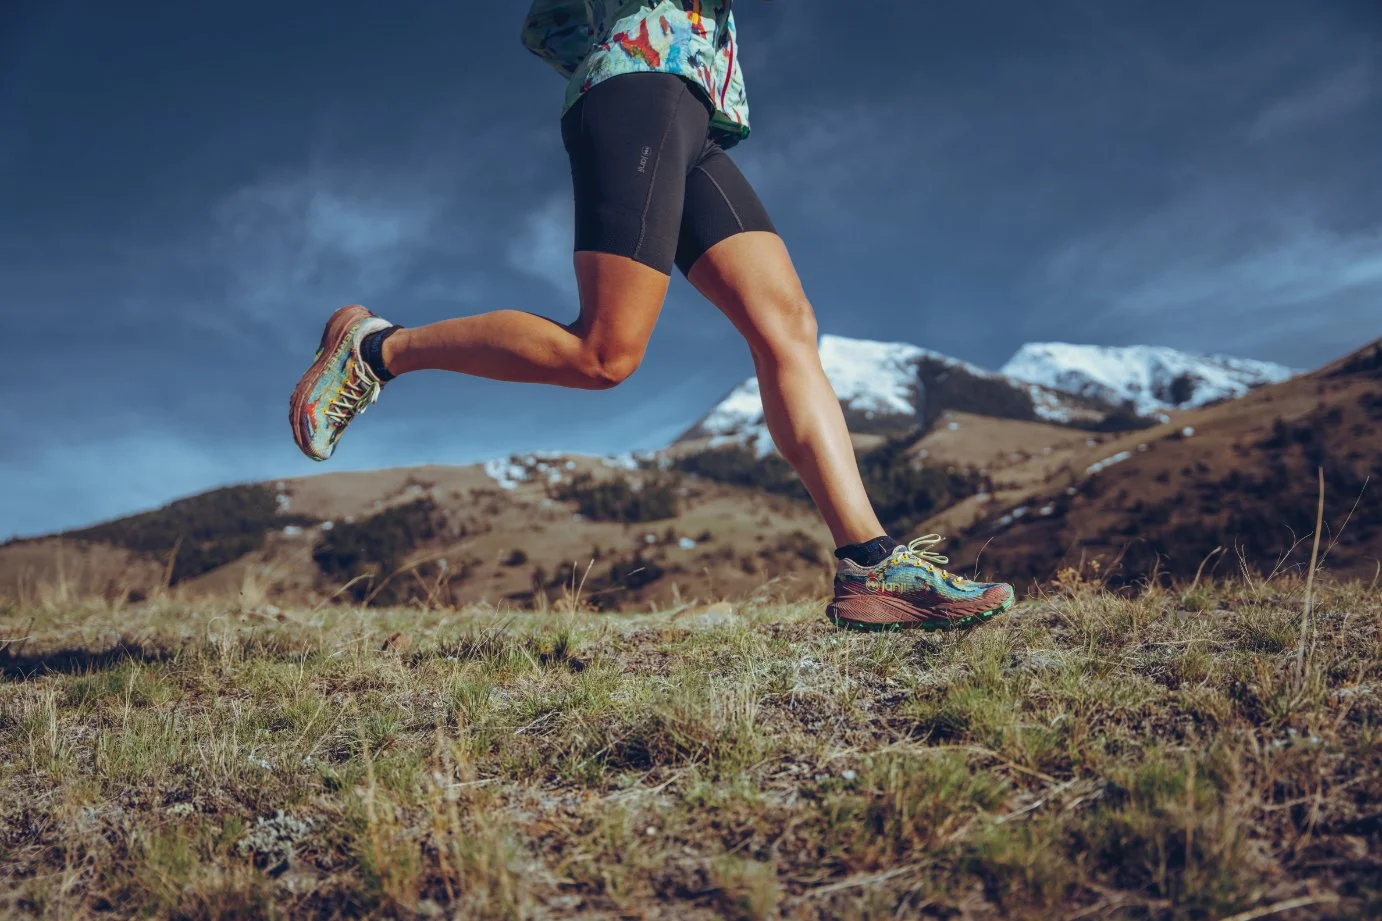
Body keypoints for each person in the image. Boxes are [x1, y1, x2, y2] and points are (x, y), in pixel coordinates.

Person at [289, 0, 1014, 630]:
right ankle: (379, 348)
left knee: (787, 327)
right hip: (640, 87)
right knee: (604, 354)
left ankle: (870, 565)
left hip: (695, 108)